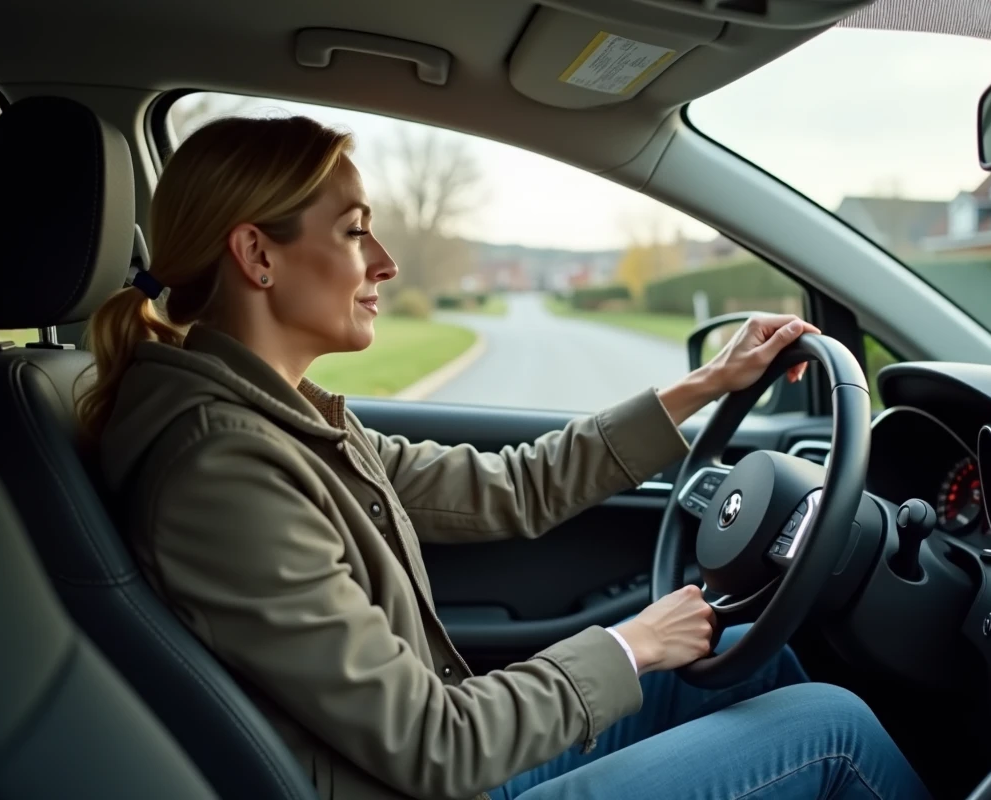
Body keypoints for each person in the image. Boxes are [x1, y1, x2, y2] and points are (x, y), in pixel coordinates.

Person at [78, 115, 931, 800]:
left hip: (431, 770)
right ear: (258, 255)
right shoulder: (226, 471)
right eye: (354, 232)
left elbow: (511, 487)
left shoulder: (282, 421)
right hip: (433, 778)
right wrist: (632, 643)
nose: (386, 262)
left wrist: (704, 385)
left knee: (750, 652)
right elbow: (434, 743)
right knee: (833, 729)